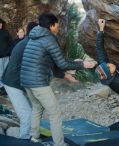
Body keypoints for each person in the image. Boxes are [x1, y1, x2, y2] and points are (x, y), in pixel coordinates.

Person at [20, 12, 95, 146]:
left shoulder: (34, 36)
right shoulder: (49, 38)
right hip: (38, 82)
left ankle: (34, 137)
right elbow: (61, 64)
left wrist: (74, 63)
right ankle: (59, 144)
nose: (58, 27)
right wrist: (83, 64)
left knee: (37, 108)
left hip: (26, 80)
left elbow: (56, 61)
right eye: (57, 25)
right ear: (52, 25)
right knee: (55, 113)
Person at [0, 18, 12, 96]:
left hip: (6, 56)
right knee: (0, 73)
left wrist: (9, 52)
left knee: (6, 72)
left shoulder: (6, 32)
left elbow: (10, 43)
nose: (0, 25)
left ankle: (6, 88)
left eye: (1, 23)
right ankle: (1, 88)